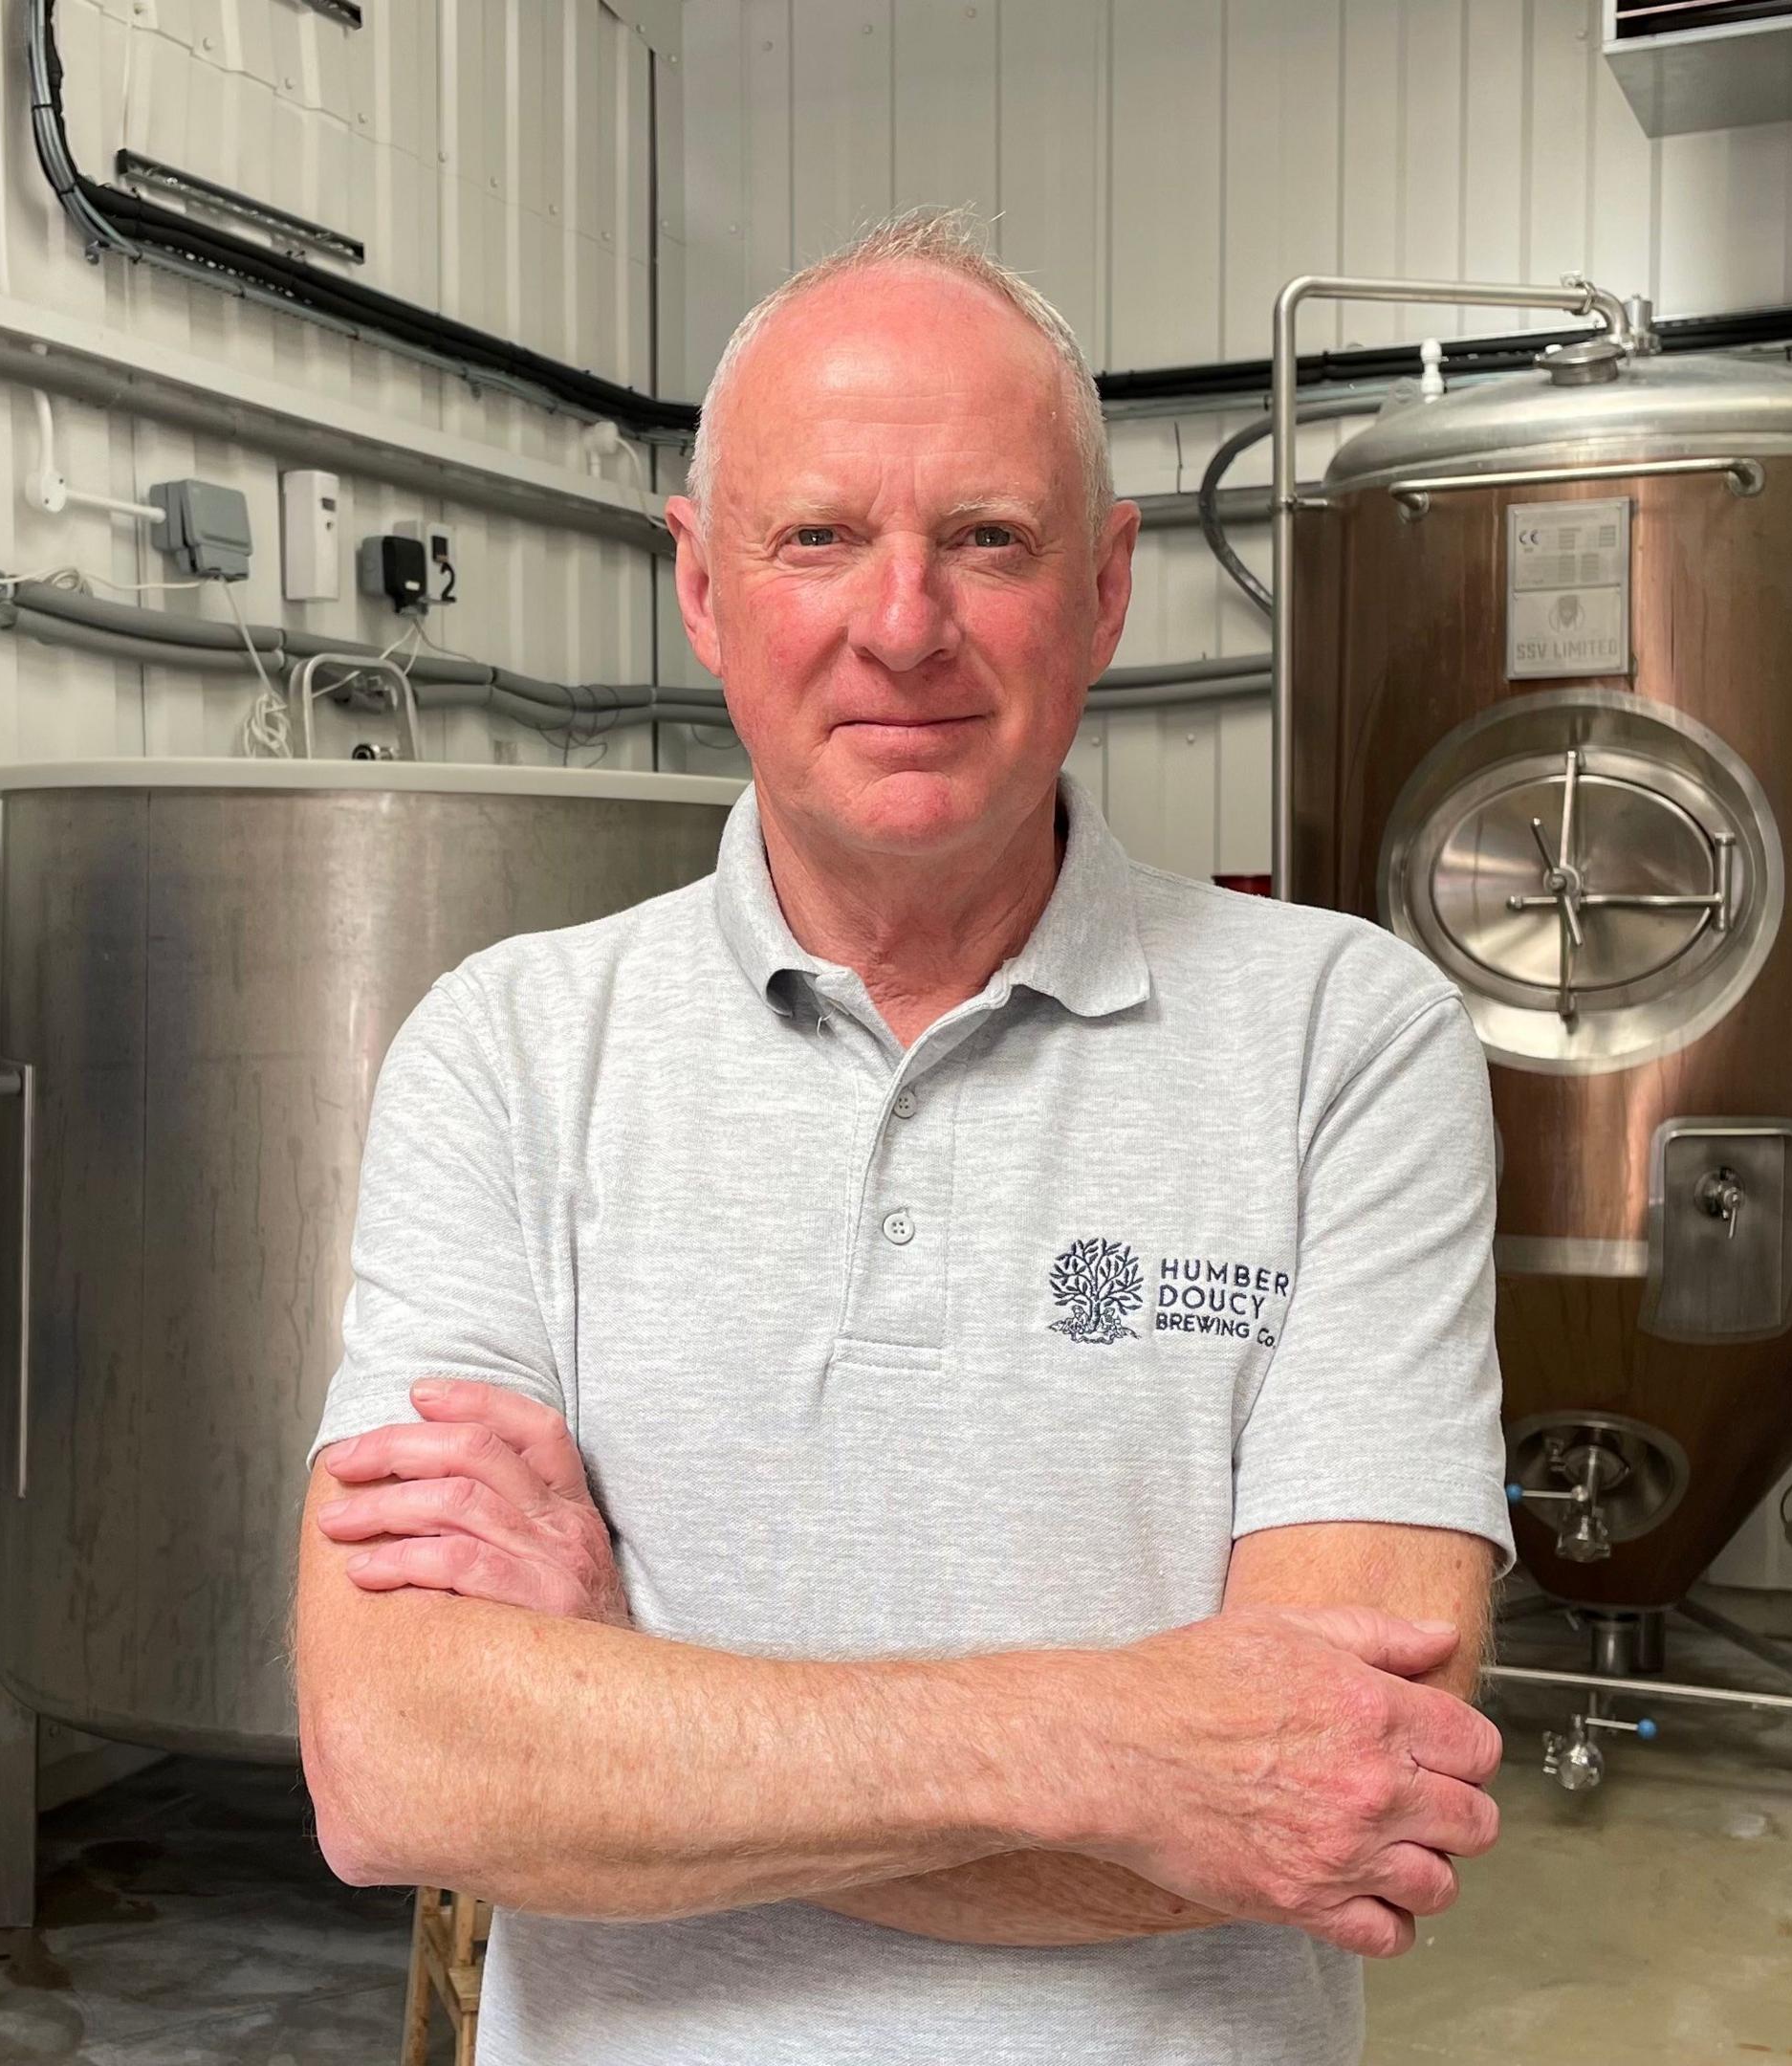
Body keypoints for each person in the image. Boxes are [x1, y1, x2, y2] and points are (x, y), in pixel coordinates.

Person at [290, 206, 1511, 2066]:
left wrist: (621, 1712)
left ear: (1105, 590)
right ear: (702, 589)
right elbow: (398, 1764)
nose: (904, 622)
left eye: (987, 541)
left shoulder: (1345, 1044)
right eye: (819, 538)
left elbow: (1344, 1799)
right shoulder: (514, 1052)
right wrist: (1117, 1752)